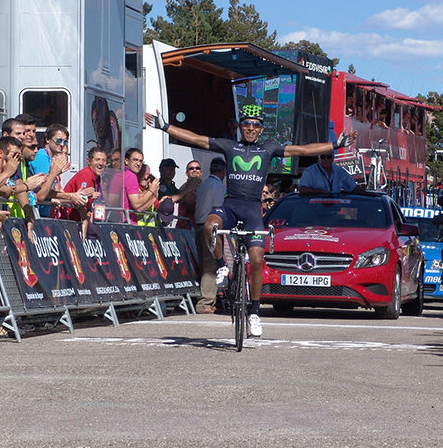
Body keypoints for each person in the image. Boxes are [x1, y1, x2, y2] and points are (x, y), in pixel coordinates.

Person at [145, 104, 354, 337]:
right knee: (209, 226)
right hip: (231, 206)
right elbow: (196, 138)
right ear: (240, 126)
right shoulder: (229, 145)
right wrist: (164, 127)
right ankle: (222, 266)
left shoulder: (268, 149)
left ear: (261, 129)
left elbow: (303, 150)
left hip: (253, 212)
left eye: (255, 125)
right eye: (246, 124)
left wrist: (336, 144)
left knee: (256, 260)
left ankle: (254, 312)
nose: (250, 128)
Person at [193, 157, 226, 314]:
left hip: (199, 226)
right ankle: (205, 302)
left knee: (205, 265)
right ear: (223, 171)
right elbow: (217, 209)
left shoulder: (203, 184)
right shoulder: (218, 186)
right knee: (210, 266)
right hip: (210, 227)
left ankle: (207, 299)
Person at [59, 146, 105, 237]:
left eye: (104, 160)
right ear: (89, 161)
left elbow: (88, 207)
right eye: (97, 159)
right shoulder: (86, 174)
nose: (101, 163)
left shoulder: (97, 178)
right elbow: (81, 202)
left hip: (77, 220)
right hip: (68, 221)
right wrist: (85, 223)